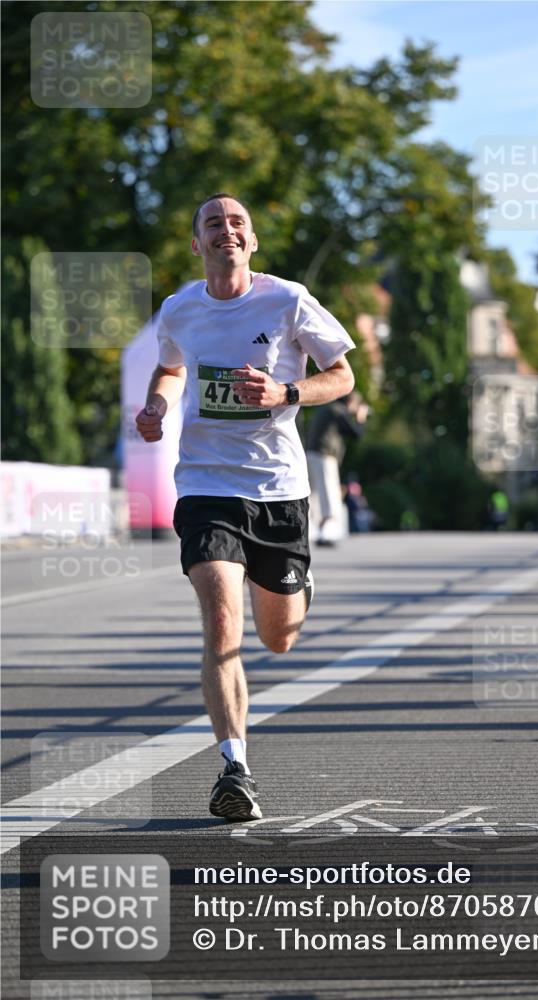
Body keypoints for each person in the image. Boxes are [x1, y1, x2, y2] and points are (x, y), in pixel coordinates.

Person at [135, 193, 355, 821]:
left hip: (279, 489)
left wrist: (287, 390)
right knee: (221, 618)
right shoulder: (179, 309)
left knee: (278, 637)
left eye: (237, 223)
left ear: (251, 242)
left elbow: (342, 376)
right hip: (206, 485)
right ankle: (236, 767)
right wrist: (157, 406)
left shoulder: (286, 299)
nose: (226, 230)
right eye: (213, 223)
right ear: (198, 244)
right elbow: (169, 370)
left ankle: (299, 584)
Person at [305, 391, 368, 545]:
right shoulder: (338, 411)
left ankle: (315, 531)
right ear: (351, 401)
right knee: (329, 494)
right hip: (325, 456)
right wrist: (360, 418)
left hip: (310, 454)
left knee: (313, 495)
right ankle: (327, 533)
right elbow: (356, 434)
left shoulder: (325, 409)